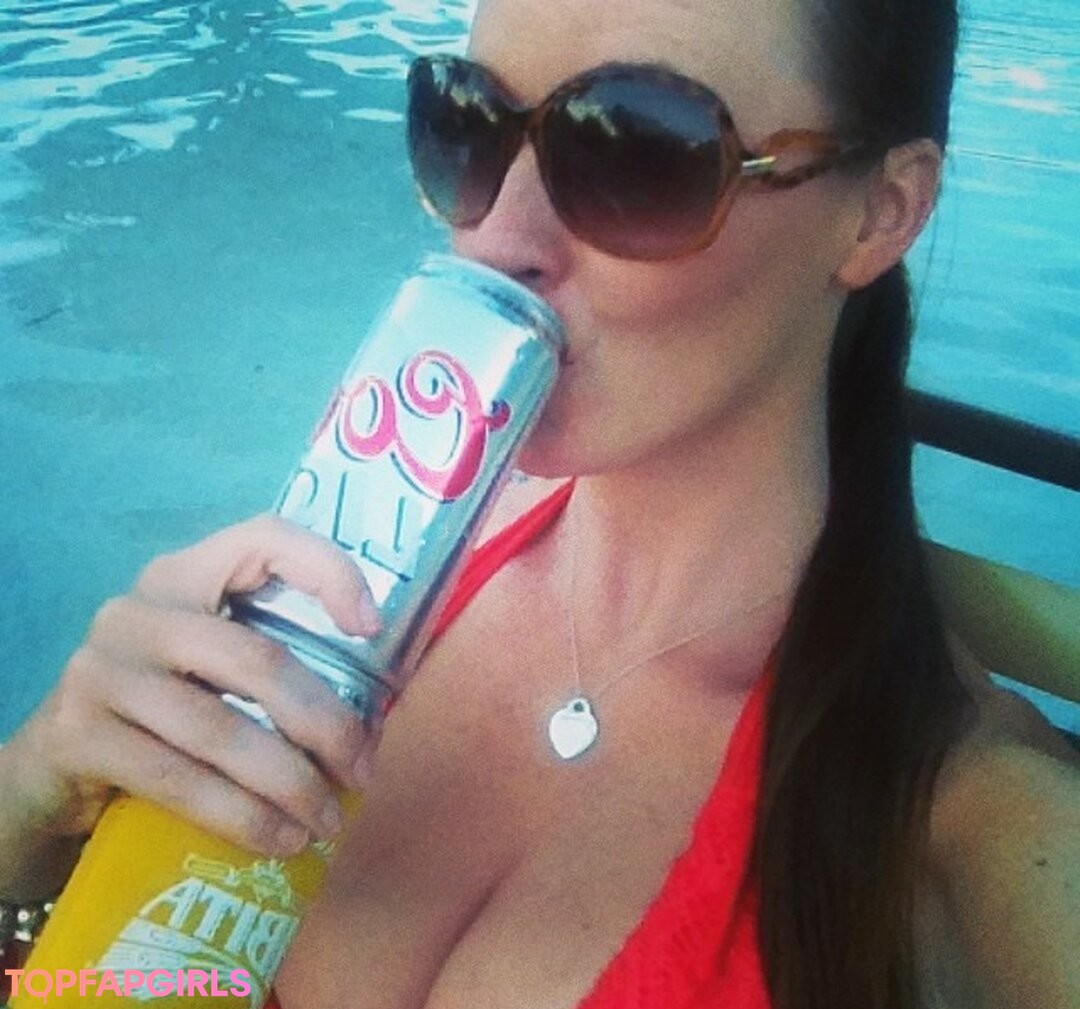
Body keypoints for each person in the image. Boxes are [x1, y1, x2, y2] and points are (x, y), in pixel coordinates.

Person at [1, 0, 1077, 1006]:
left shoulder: (983, 837)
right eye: (467, 123)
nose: (499, 239)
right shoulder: (357, 559)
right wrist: (33, 818)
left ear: (881, 213)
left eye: (637, 152)